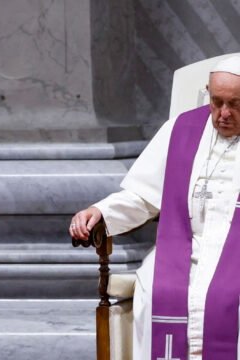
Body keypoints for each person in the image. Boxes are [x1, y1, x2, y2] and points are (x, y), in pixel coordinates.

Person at [69, 56, 240, 360]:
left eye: (236, 104)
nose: (223, 114)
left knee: (229, 298)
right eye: (217, 102)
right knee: (156, 291)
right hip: (184, 248)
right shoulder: (181, 129)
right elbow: (144, 196)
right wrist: (102, 212)